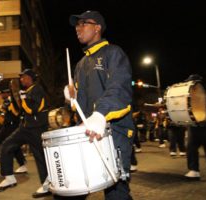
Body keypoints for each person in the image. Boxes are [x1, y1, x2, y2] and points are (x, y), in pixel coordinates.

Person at [62, 10, 134, 200]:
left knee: (115, 192)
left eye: (84, 23)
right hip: (88, 133)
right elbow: (81, 107)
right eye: (77, 24)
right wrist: (71, 98)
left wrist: (100, 114)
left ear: (97, 28)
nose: (78, 27)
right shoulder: (79, 65)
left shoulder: (113, 53)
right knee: (73, 188)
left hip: (115, 131)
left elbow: (120, 90)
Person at [0, 69, 49, 197]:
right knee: (6, 146)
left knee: (40, 156)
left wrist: (22, 98)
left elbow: (33, 109)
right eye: (21, 78)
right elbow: (17, 111)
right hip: (24, 127)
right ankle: (9, 178)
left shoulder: (37, 90)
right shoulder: (25, 92)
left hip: (37, 128)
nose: (21, 79)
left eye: (23, 77)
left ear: (30, 78)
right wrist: (15, 97)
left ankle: (47, 184)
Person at [0, 88, 27, 173]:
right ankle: (22, 164)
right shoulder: (13, 101)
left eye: (2, 93)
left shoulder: (8, 102)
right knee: (14, 145)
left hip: (9, 126)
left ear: (7, 93)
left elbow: (2, 115)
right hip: (13, 125)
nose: (1, 95)